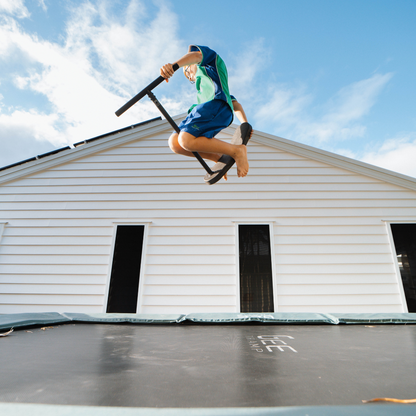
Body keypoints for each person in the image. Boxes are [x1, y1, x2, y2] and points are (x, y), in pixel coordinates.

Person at [160, 45, 250, 180]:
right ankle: (216, 157)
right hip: (202, 109)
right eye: (189, 77)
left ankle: (237, 151)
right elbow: (235, 104)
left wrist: (174, 66)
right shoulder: (202, 96)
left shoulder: (210, 64)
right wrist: (245, 124)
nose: (191, 77)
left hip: (215, 106)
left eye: (188, 72)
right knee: (175, 143)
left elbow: (196, 56)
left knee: (185, 139)